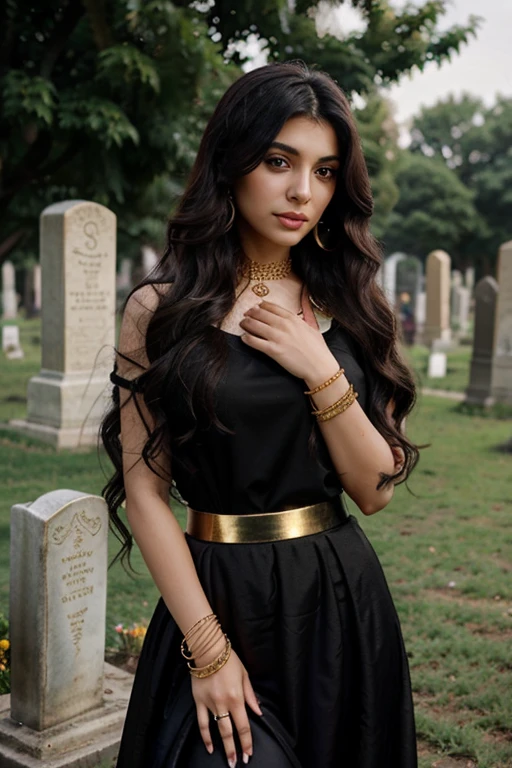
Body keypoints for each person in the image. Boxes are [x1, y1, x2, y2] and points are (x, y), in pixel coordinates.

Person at [101, 60, 421, 768]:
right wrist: (209, 652)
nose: (303, 191)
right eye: (280, 161)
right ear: (232, 161)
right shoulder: (160, 312)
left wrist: (319, 366)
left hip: (338, 599)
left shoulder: (353, 308)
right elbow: (147, 490)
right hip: (215, 594)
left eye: (326, 170)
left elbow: (374, 490)